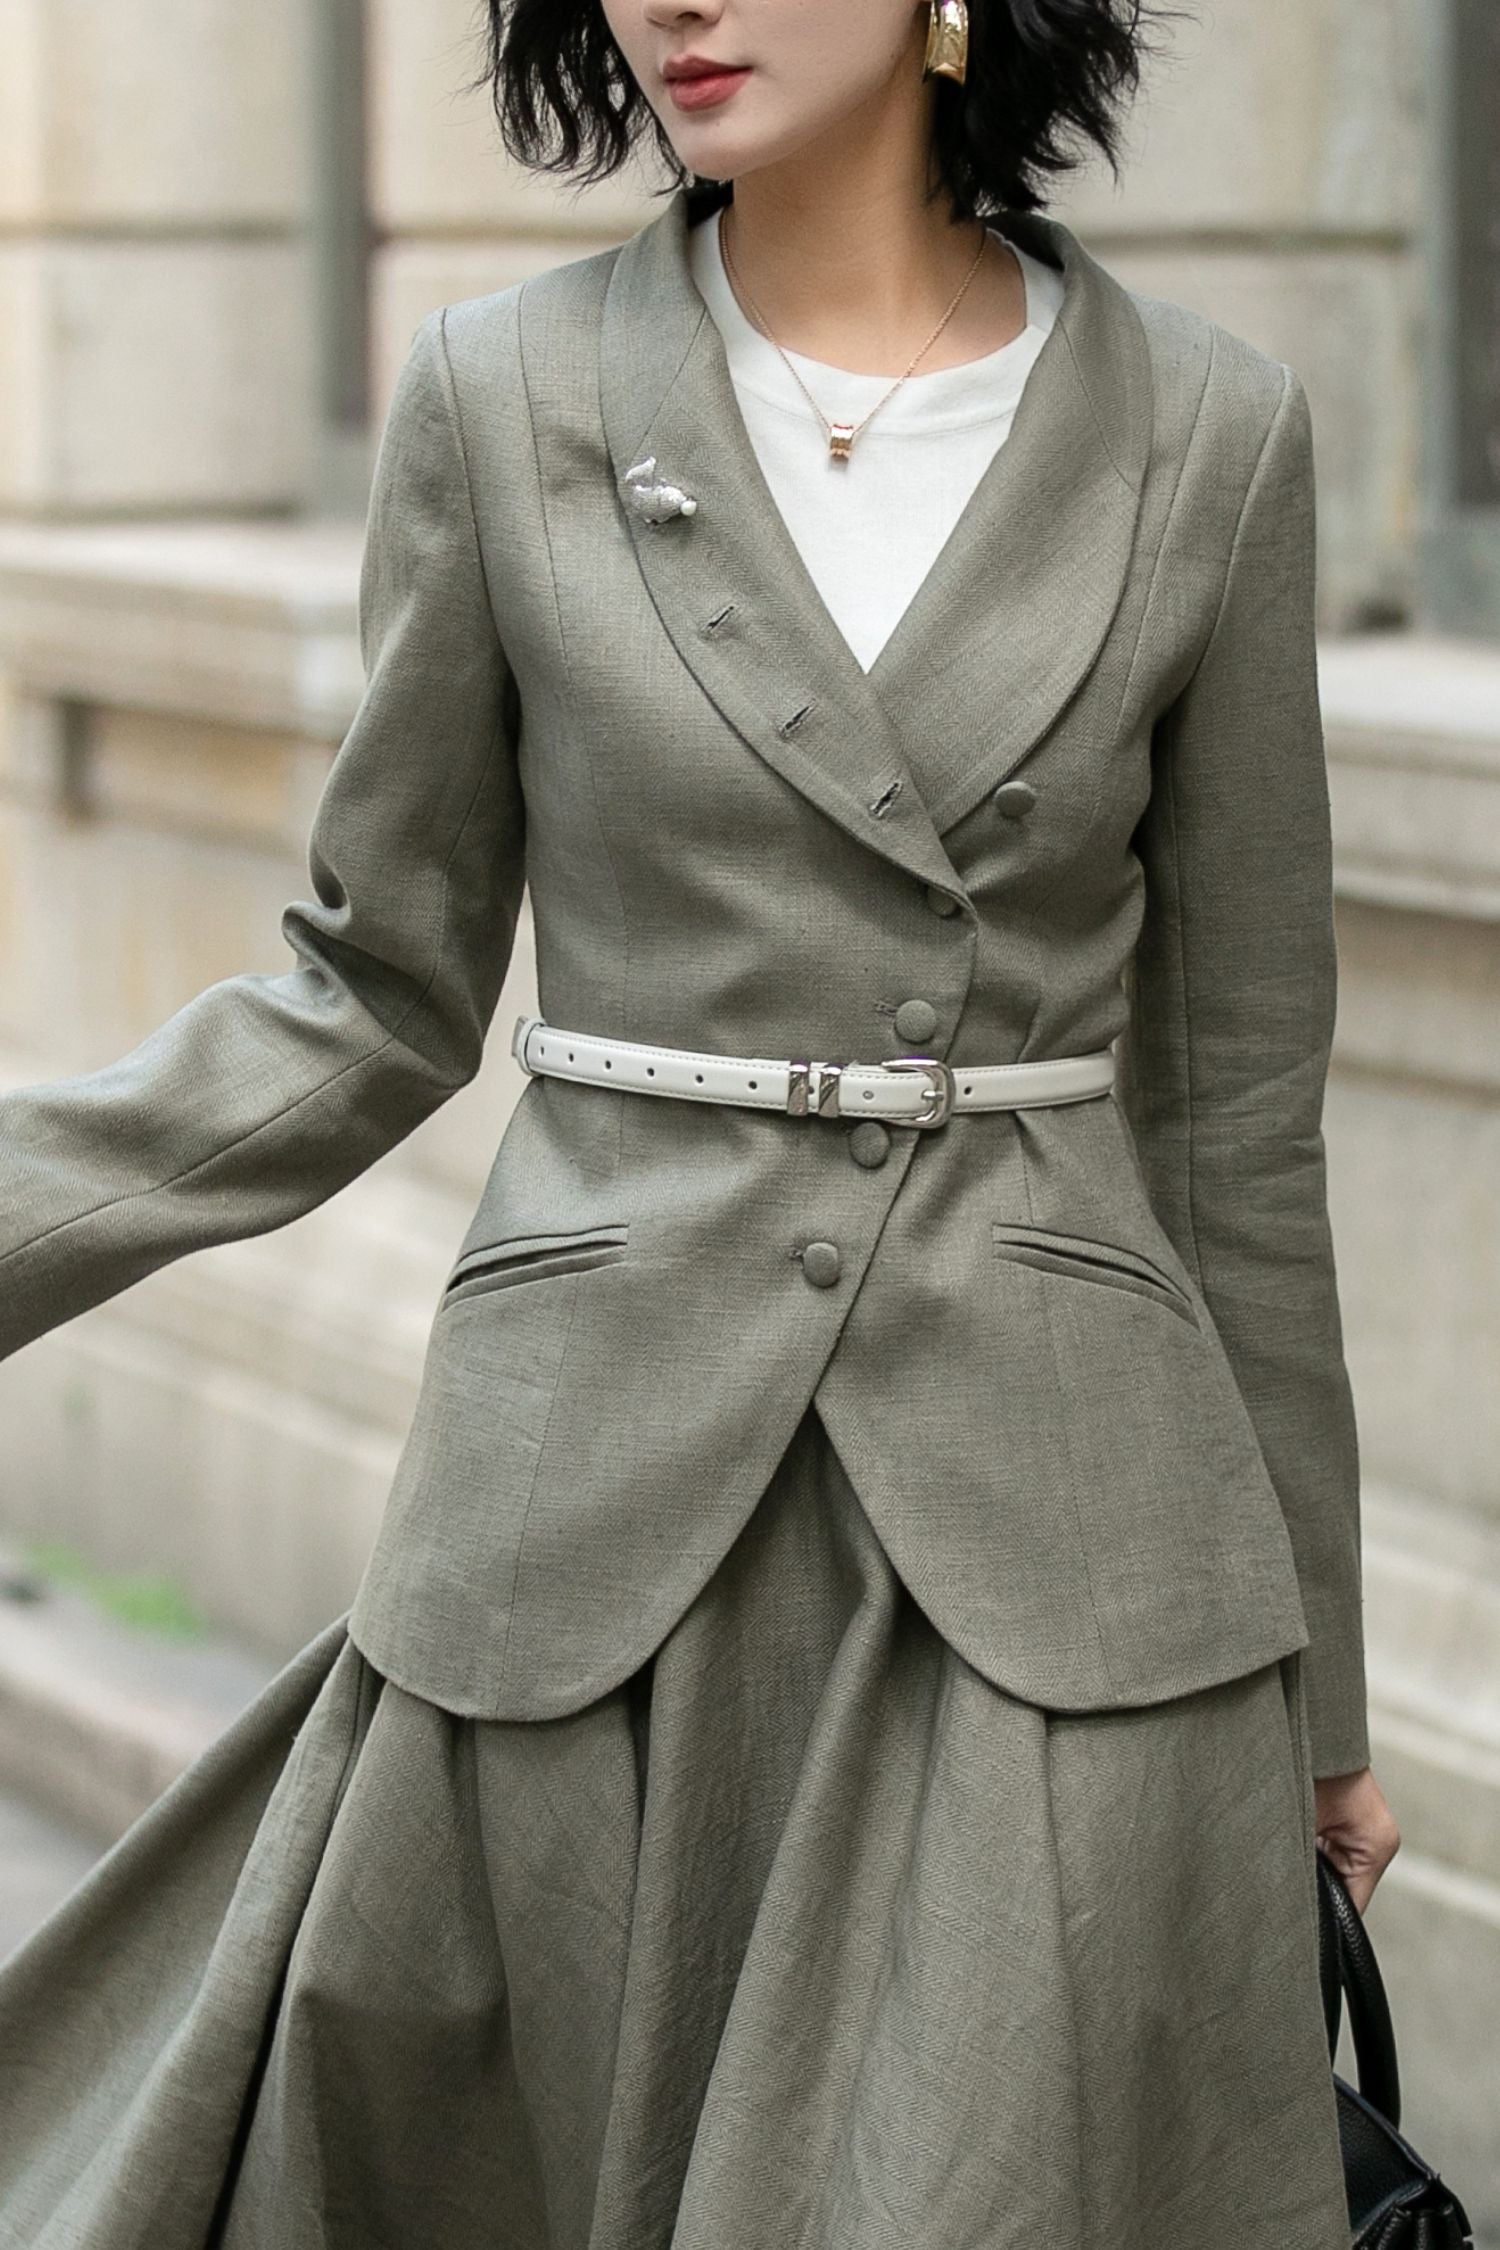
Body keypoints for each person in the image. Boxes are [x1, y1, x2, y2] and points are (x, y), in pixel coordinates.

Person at [0, 1, 1401, 2244]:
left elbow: (1239, 1114)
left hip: (1056, 1547)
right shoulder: (502, 392)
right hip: (582, 1525)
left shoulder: (1210, 436)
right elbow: (367, 997)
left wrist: (1318, 1683)